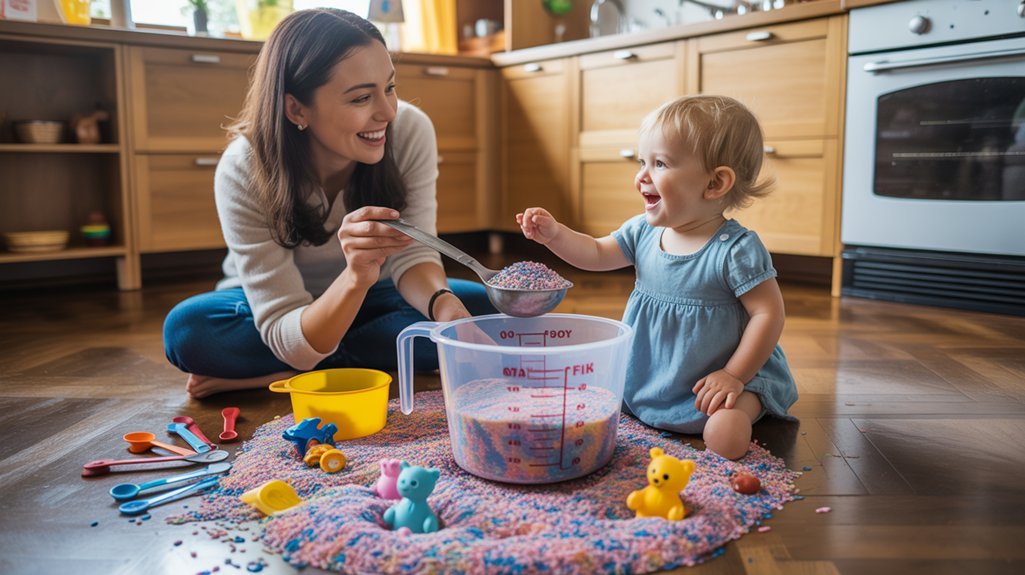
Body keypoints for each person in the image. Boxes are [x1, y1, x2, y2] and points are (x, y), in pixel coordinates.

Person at [163, 8, 494, 399]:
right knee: (190, 330)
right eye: (361, 97)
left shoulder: (411, 129)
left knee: (485, 306)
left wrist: (446, 310)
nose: (387, 112)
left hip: (377, 295)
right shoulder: (244, 167)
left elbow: (414, 258)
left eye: (389, 87)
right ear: (297, 109)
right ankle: (366, 360)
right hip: (271, 308)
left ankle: (288, 373)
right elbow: (281, 317)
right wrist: (354, 276)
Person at [517, 95, 797, 459]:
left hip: (716, 377)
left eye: (660, 163)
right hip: (652, 371)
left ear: (715, 184)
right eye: (642, 162)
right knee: (590, 400)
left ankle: (743, 406)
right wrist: (555, 236)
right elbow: (596, 253)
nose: (641, 177)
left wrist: (734, 375)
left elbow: (767, 314)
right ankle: (651, 400)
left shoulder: (735, 250)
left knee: (724, 432)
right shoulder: (642, 232)